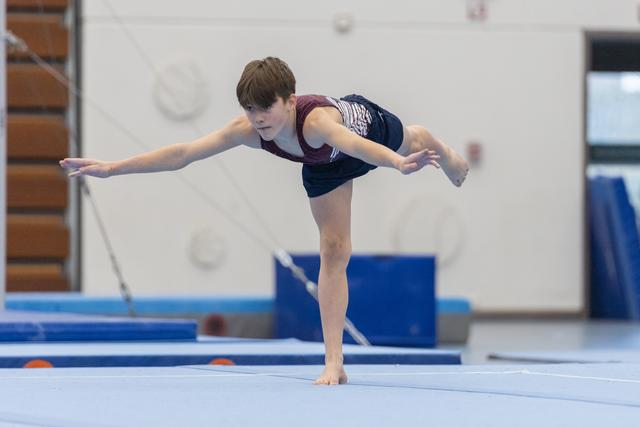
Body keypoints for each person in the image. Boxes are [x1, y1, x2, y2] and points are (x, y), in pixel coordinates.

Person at [60, 57, 469, 385]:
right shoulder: (250, 130)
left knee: (415, 140)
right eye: (250, 109)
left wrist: (398, 161)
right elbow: (183, 154)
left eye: (266, 107)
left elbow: (354, 145)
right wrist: (112, 168)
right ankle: (334, 361)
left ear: (290, 99)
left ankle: (439, 148)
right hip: (323, 168)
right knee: (334, 251)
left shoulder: (316, 121)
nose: (257, 118)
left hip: (366, 135)